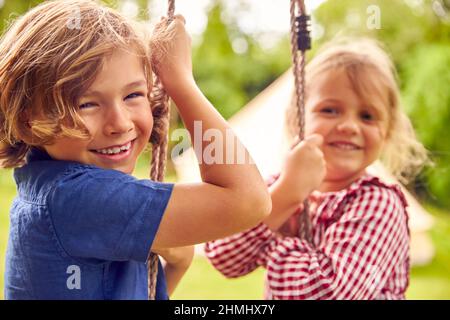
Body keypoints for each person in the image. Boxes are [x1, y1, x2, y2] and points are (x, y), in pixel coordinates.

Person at [0, 0, 271, 299]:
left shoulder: (44, 186)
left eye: (132, 95)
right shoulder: (80, 197)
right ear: (30, 118)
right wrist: (181, 81)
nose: (119, 123)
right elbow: (249, 200)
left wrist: (178, 264)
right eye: (87, 103)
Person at [205, 38, 429, 300]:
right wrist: (285, 194)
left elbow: (325, 294)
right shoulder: (281, 183)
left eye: (367, 116)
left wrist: (275, 242)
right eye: (330, 110)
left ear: (387, 131)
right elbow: (222, 255)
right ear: (297, 120)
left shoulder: (379, 204)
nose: (349, 126)